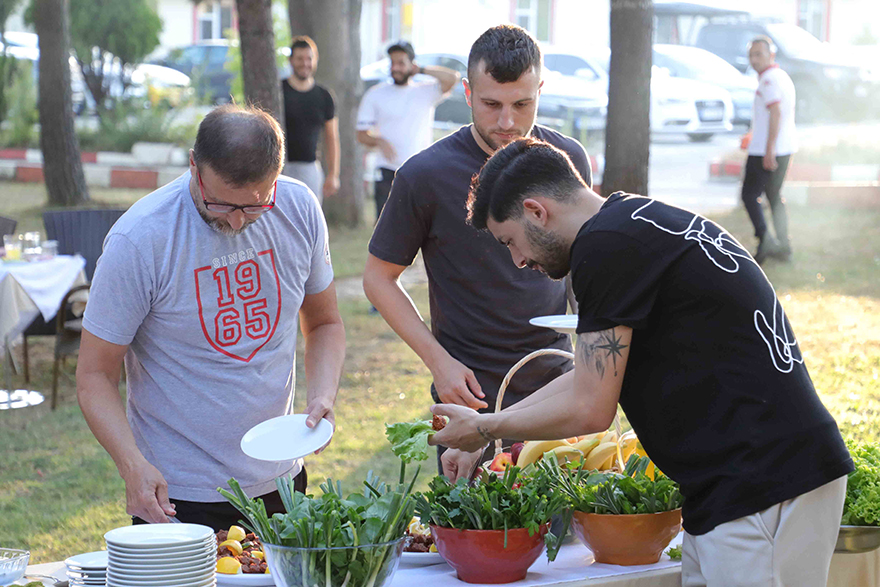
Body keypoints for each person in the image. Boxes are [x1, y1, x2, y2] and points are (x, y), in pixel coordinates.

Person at [430, 137, 853, 586]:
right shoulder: (626, 225)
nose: (518, 260)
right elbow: (588, 377)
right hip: (738, 484)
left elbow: (591, 409)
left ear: (536, 211)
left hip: (766, 483)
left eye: (510, 241)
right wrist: (489, 424)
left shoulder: (605, 248)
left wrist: (483, 429)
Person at [76, 105, 346, 530]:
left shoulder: (299, 208)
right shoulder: (140, 239)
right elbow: (94, 374)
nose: (237, 220)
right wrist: (132, 466)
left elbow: (325, 323)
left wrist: (323, 394)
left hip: (282, 479)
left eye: (255, 206)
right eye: (219, 203)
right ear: (193, 166)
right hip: (177, 492)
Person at [362, 25, 593, 478]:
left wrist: (592, 354)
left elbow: (584, 265)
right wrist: (439, 363)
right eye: (491, 105)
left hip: (558, 379)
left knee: (567, 539)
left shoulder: (568, 160)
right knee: (481, 538)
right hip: (469, 389)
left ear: (540, 91)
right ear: (466, 92)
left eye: (522, 104)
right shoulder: (425, 175)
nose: (507, 122)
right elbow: (377, 278)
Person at [356, 40, 459, 219]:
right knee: (384, 226)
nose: (395, 67)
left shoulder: (426, 91)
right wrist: (379, 140)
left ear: (411, 65)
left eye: (401, 63)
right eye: (392, 62)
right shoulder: (375, 94)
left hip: (418, 170)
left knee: (417, 227)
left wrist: (421, 70)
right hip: (386, 171)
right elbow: (361, 135)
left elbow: (453, 79)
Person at [741, 35, 797, 264]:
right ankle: (784, 247)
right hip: (784, 147)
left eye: (759, 54)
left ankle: (766, 241)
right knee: (774, 197)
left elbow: (775, 112)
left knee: (749, 194)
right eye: (751, 55)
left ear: (771, 55)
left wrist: (768, 150)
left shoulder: (768, 81)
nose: (754, 60)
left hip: (767, 150)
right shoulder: (780, 76)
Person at [281, 36, 339, 204]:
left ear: (315, 61)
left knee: (310, 224)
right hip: (280, 169)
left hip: (310, 169)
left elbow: (332, 137)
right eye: (299, 58)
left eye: (309, 58)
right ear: (291, 60)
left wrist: (333, 175)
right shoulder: (278, 91)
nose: (304, 63)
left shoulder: (324, 96)